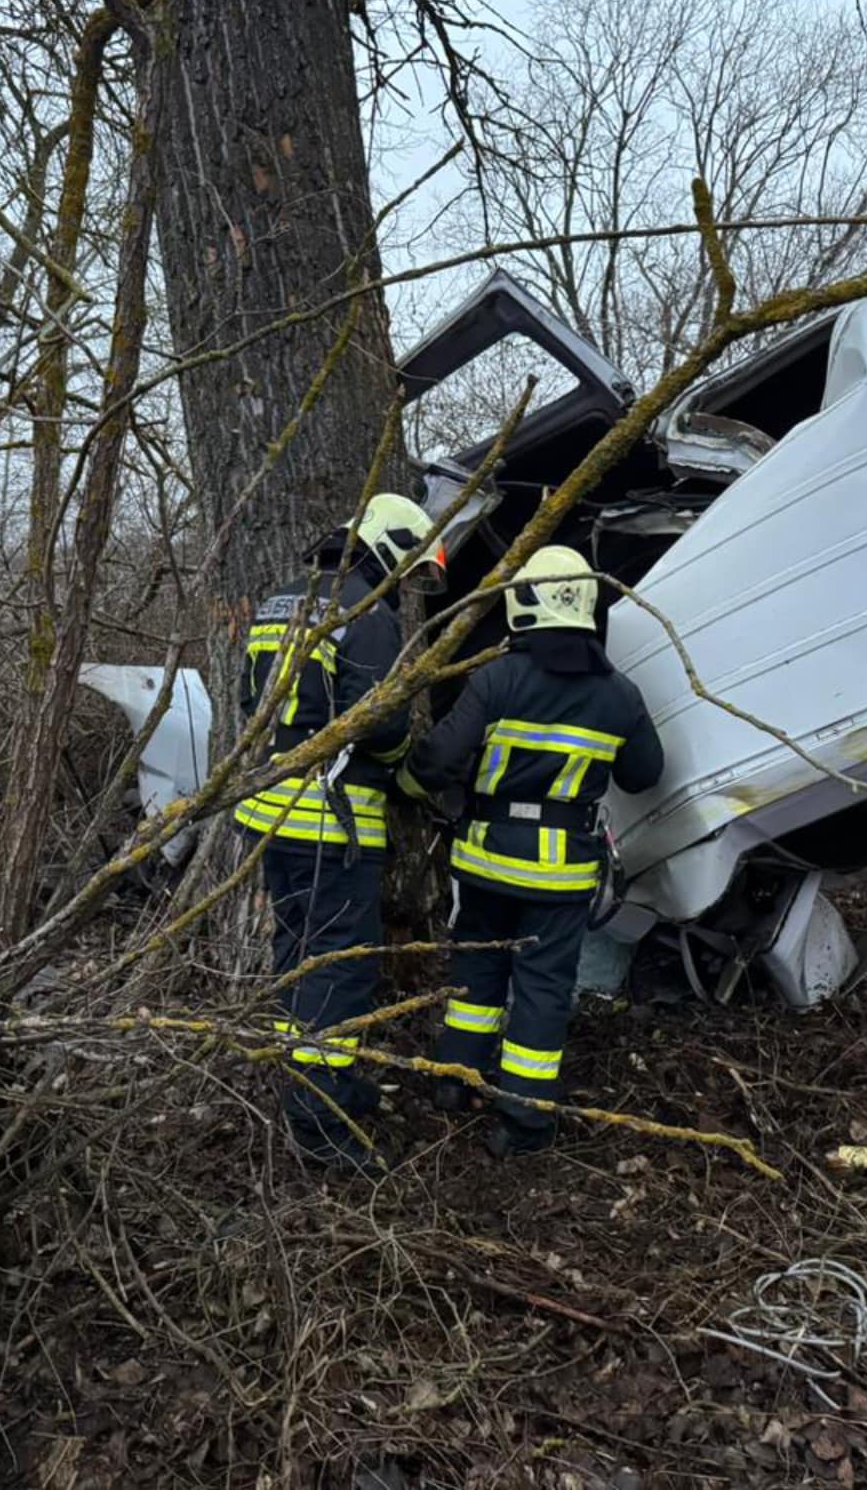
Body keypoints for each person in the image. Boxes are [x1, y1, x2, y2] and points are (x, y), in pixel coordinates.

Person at [398, 545, 663, 1156]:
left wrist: (407, 787)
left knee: (476, 971)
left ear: (525, 602)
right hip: (561, 875)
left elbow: (440, 757)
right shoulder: (620, 695)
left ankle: (454, 1084)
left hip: (487, 862)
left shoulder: (497, 677)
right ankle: (524, 1120)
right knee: (543, 989)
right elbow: (645, 775)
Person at [234, 492, 444, 1171]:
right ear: (391, 548)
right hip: (331, 821)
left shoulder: (280, 598)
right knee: (341, 969)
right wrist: (398, 763)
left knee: (298, 957)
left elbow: (249, 702)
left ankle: (318, 1084)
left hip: (270, 812)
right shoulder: (367, 612)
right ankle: (318, 1121)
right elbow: (378, 724)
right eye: (410, 572)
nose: (406, 588)